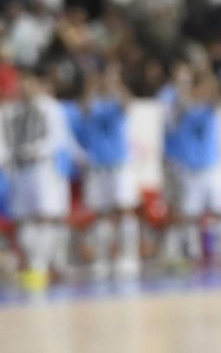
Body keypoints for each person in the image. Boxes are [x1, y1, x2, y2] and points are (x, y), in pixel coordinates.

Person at [7, 69, 75, 291]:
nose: (24, 87)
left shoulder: (49, 107)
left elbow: (58, 138)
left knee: (47, 215)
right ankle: (32, 263)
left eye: (29, 82)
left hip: (44, 168)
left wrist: (37, 150)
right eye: (21, 83)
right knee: (25, 217)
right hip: (21, 169)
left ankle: (42, 264)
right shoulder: (14, 109)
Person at [76, 63, 142, 280]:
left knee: (124, 210)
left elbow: (128, 104)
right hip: (98, 165)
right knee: (100, 214)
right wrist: (91, 82)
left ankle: (129, 256)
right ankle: (101, 258)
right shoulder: (93, 103)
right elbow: (83, 109)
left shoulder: (117, 101)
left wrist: (116, 83)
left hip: (119, 164)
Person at [168, 71, 221, 263]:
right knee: (189, 215)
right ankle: (192, 254)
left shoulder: (210, 107)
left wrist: (208, 75)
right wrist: (184, 87)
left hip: (212, 168)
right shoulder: (183, 109)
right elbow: (177, 107)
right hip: (192, 169)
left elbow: (217, 97)